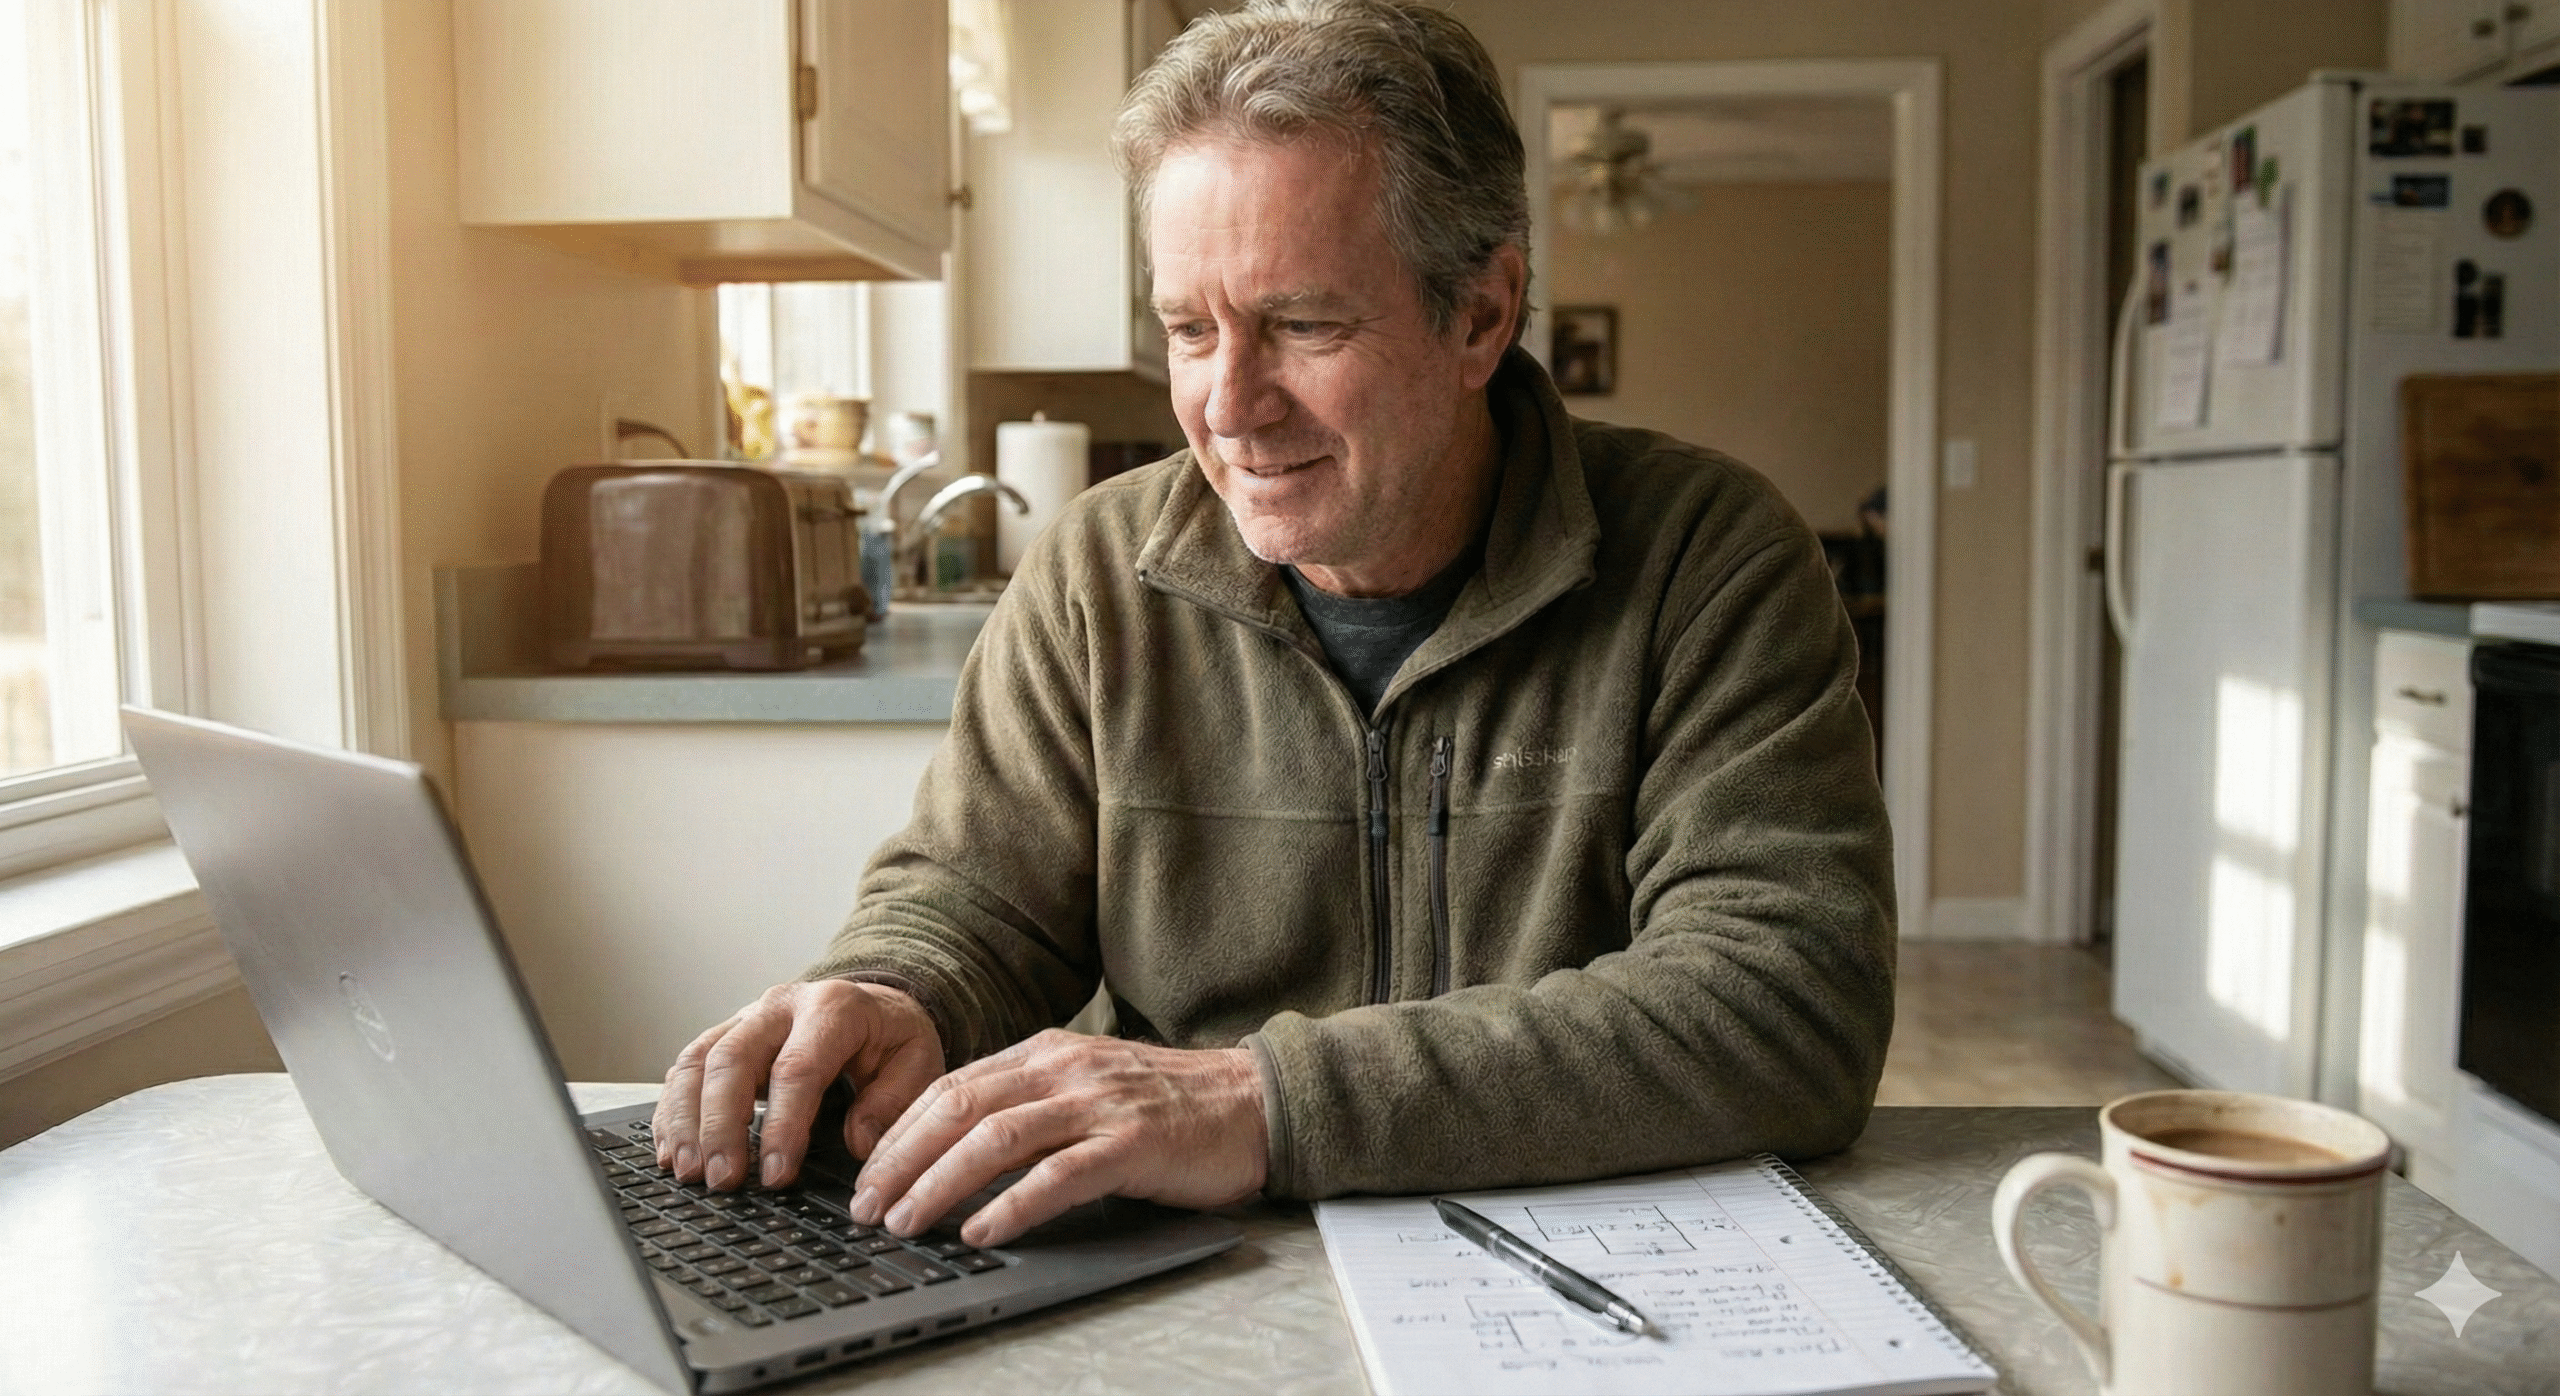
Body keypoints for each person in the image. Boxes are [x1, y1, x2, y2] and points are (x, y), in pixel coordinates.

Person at [651, 0, 1894, 1250]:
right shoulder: (1096, 571)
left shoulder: (1705, 557)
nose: (1228, 407)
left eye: (1302, 324)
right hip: (1187, 1277)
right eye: (1190, 329)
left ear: (1481, 312)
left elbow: (1784, 1002)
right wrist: (891, 989)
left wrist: (1261, 1100)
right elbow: (975, 900)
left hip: (1589, 1268)